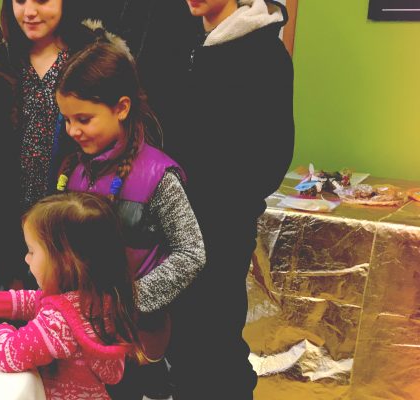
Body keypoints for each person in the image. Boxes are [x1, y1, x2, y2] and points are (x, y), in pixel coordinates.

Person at [54, 33, 206, 399]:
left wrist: (128, 301)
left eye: (83, 119)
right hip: (82, 333)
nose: (72, 131)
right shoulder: (73, 170)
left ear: (121, 108)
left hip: (134, 339)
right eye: (67, 120)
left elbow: (191, 253)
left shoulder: (159, 176)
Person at [162, 1, 295, 399]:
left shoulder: (264, 53)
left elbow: (271, 158)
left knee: (215, 350)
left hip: (220, 229)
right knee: (183, 348)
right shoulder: (188, 44)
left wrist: (220, 204)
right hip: (176, 226)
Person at [0, 0, 95, 291]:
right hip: (9, 246)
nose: (29, 12)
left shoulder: (92, 63)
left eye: (41, 0)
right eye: (19, 1)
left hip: (78, 244)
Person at [0, 192, 143, 399]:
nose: (26, 258)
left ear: (65, 262)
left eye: (32, 251)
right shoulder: (98, 299)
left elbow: (9, 355)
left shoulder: (58, 322)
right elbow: (33, 301)